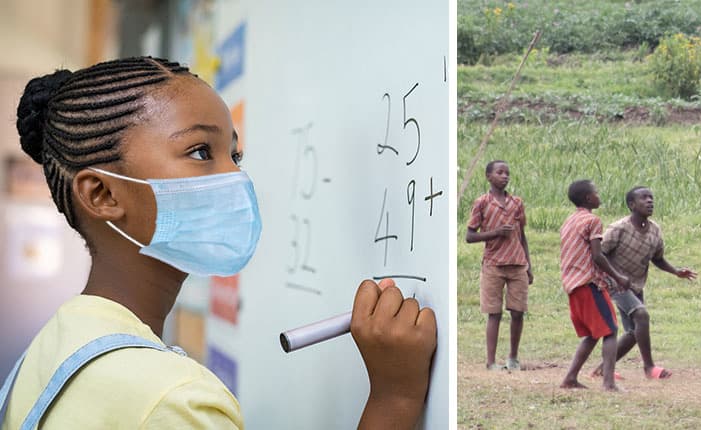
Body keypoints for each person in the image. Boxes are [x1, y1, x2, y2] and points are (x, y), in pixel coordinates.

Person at [0, 57, 435, 429]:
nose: (236, 178)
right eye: (200, 152)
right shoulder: (172, 400)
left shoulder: (53, 345)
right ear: (103, 195)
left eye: (235, 155)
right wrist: (394, 399)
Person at [587, 187, 697, 380]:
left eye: (651, 198)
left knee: (633, 332)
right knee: (642, 315)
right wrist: (616, 276)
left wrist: (676, 271)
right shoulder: (619, 228)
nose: (649, 201)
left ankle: (603, 368)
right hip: (614, 283)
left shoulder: (654, 230)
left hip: (635, 285)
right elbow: (598, 254)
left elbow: (658, 258)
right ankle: (649, 368)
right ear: (631, 205)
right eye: (644, 198)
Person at [557, 180, 629, 391]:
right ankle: (608, 383)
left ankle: (570, 378)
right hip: (588, 282)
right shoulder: (592, 220)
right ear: (589, 198)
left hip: (572, 283)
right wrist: (617, 276)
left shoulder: (569, 220)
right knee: (611, 331)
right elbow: (598, 256)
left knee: (593, 333)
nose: (599, 195)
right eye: (596, 192)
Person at [465, 160, 532, 371]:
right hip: (493, 264)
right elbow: (469, 236)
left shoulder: (516, 203)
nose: (505, 176)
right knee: (494, 313)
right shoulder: (482, 203)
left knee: (518, 311)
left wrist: (529, 265)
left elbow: (522, 236)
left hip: (517, 263)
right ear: (488, 176)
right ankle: (491, 361)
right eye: (500, 172)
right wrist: (495, 233)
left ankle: (513, 357)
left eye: (507, 173)